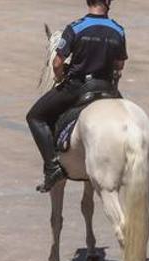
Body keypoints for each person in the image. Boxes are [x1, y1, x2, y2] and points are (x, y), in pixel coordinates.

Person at [26, 0, 126, 193]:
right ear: (107, 3)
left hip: (78, 88)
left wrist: (60, 76)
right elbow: (119, 65)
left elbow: (57, 62)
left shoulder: (76, 28)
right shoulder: (118, 30)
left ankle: (52, 167)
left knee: (35, 117)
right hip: (107, 88)